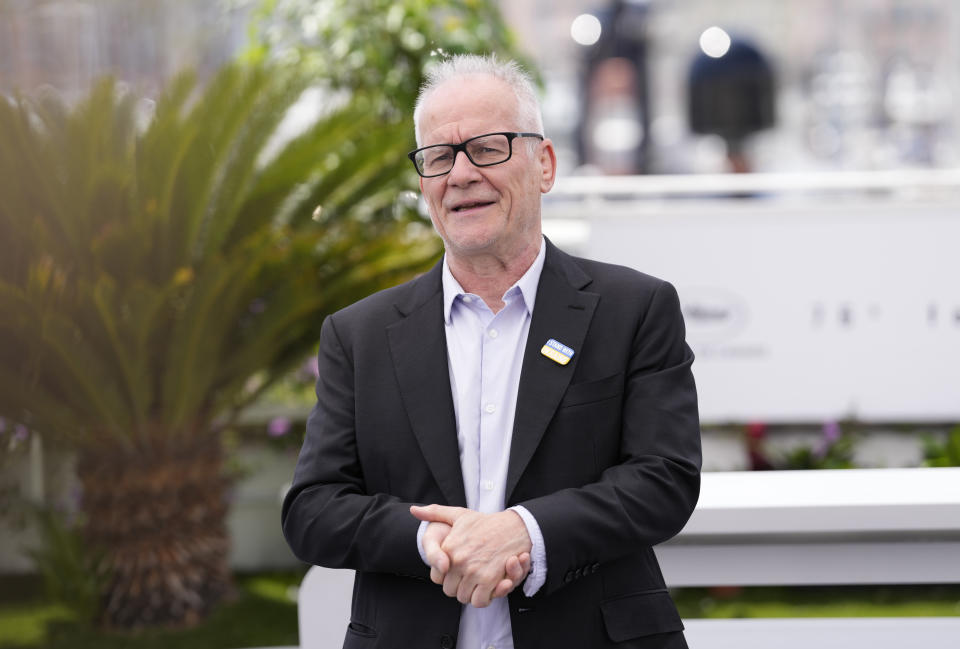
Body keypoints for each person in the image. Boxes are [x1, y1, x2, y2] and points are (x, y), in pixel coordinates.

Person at [282, 54, 701, 649]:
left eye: (487, 148)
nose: (460, 174)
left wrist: (524, 534)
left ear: (545, 165)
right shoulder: (360, 335)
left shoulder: (633, 308)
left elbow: (665, 479)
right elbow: (313, 510)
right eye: (439, 156)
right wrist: (436, 542)